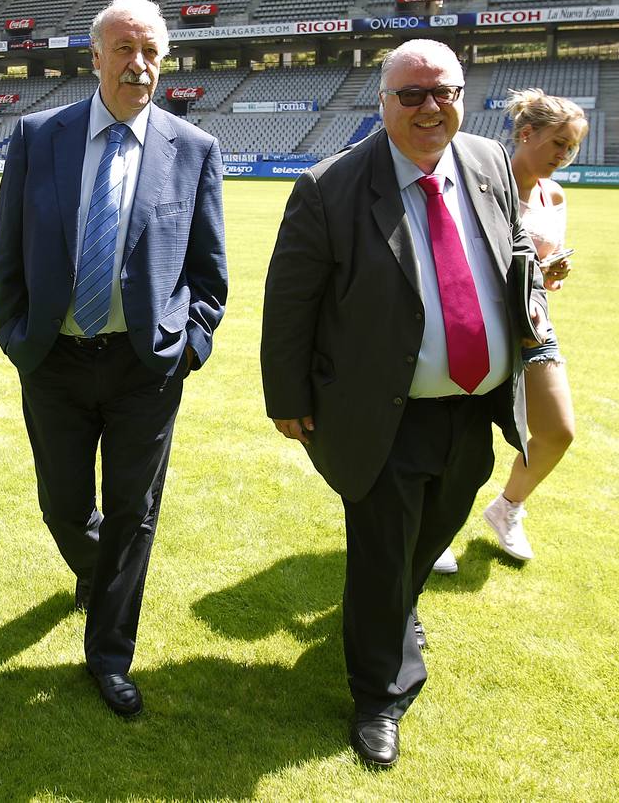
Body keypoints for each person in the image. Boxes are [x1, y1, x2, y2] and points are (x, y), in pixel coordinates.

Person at [260, 39, 546, 767]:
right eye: (410, 95)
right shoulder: (330, 187)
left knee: (431, 535)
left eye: (442, 91)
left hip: (471, 409)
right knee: (383, 556)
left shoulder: (488, 165)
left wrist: (535, 318)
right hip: (382, 412)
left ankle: (393, 615)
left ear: (461, 94)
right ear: (382, 104)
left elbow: (516, 256)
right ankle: (378, 697)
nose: (429, 107)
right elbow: (290, 305)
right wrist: (286, 398)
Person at [0, 0, 228, 719]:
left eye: (151, 50)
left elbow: (208, 273)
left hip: (143, 368)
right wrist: (17, 338)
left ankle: (108, 655)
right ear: (94, 58)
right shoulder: (38, 136)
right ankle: (97, 572)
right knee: (63, 505)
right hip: (55, 360)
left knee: (135, 511)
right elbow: (8, 252)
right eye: (123, 48)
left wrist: (186, 346)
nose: (139, 63)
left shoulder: (193, 149)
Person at [434, 90, 584, 571]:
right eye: (558, 143)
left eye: (572, 148)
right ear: (526, 134)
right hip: (473, 326)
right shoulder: (480, 183)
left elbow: (534, 267)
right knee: (455, 440)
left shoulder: (554, 195)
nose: (563, 155)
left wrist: (550, 273)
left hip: (532, 326)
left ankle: (507, 509)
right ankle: (432, 532)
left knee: (558, 431)